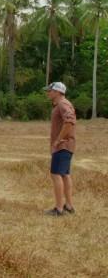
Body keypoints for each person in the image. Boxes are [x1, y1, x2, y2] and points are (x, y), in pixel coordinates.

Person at [44, 82, 77, 217]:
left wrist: (58, 140)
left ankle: (58, 209)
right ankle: (68, 206)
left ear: (57, 92)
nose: (48, 93)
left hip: (62, 146)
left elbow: (69, 121)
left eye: (50, 91)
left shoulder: (63, 104)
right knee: (64, 174)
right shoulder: (62, 104)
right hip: (67, 145)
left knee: (56, 174)